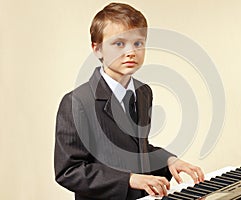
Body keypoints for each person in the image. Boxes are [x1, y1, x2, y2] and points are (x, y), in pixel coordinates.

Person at [54, 2, 204, 200]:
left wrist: (169, 161)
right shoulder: (76, 102)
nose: (131, 52)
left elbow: (139, 149)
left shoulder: (143, 92)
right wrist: (129, 180)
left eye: (138, 43)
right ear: (97, 49)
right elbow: (69, 171)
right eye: (119, 44)